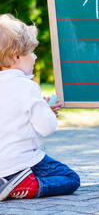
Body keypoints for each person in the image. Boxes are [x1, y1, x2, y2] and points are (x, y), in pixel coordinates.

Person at [0, 14, 80, 201]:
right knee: (70, 178)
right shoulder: (27, 86)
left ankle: (8, 182)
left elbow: (13, 116)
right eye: (31, 52)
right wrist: (48, 113)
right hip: (23, 161)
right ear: (17, 56)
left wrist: (43, 108)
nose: (35, 57)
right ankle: (28, 186)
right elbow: (46, 128)